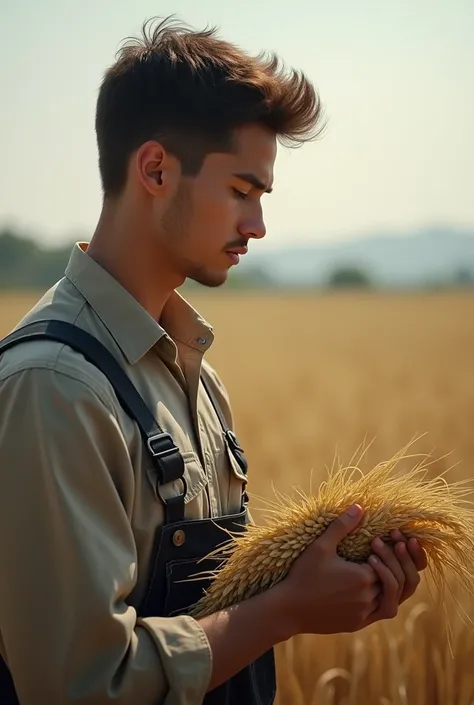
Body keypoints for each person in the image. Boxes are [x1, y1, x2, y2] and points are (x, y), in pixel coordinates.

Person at [0, 15, 427, 705]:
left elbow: (217, 614)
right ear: (156, 170)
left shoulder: (194, 375)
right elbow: (79, 686)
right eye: (241, 190)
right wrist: (285, 610)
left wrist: (336, 578)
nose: (258, 225)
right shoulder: (55, 387)